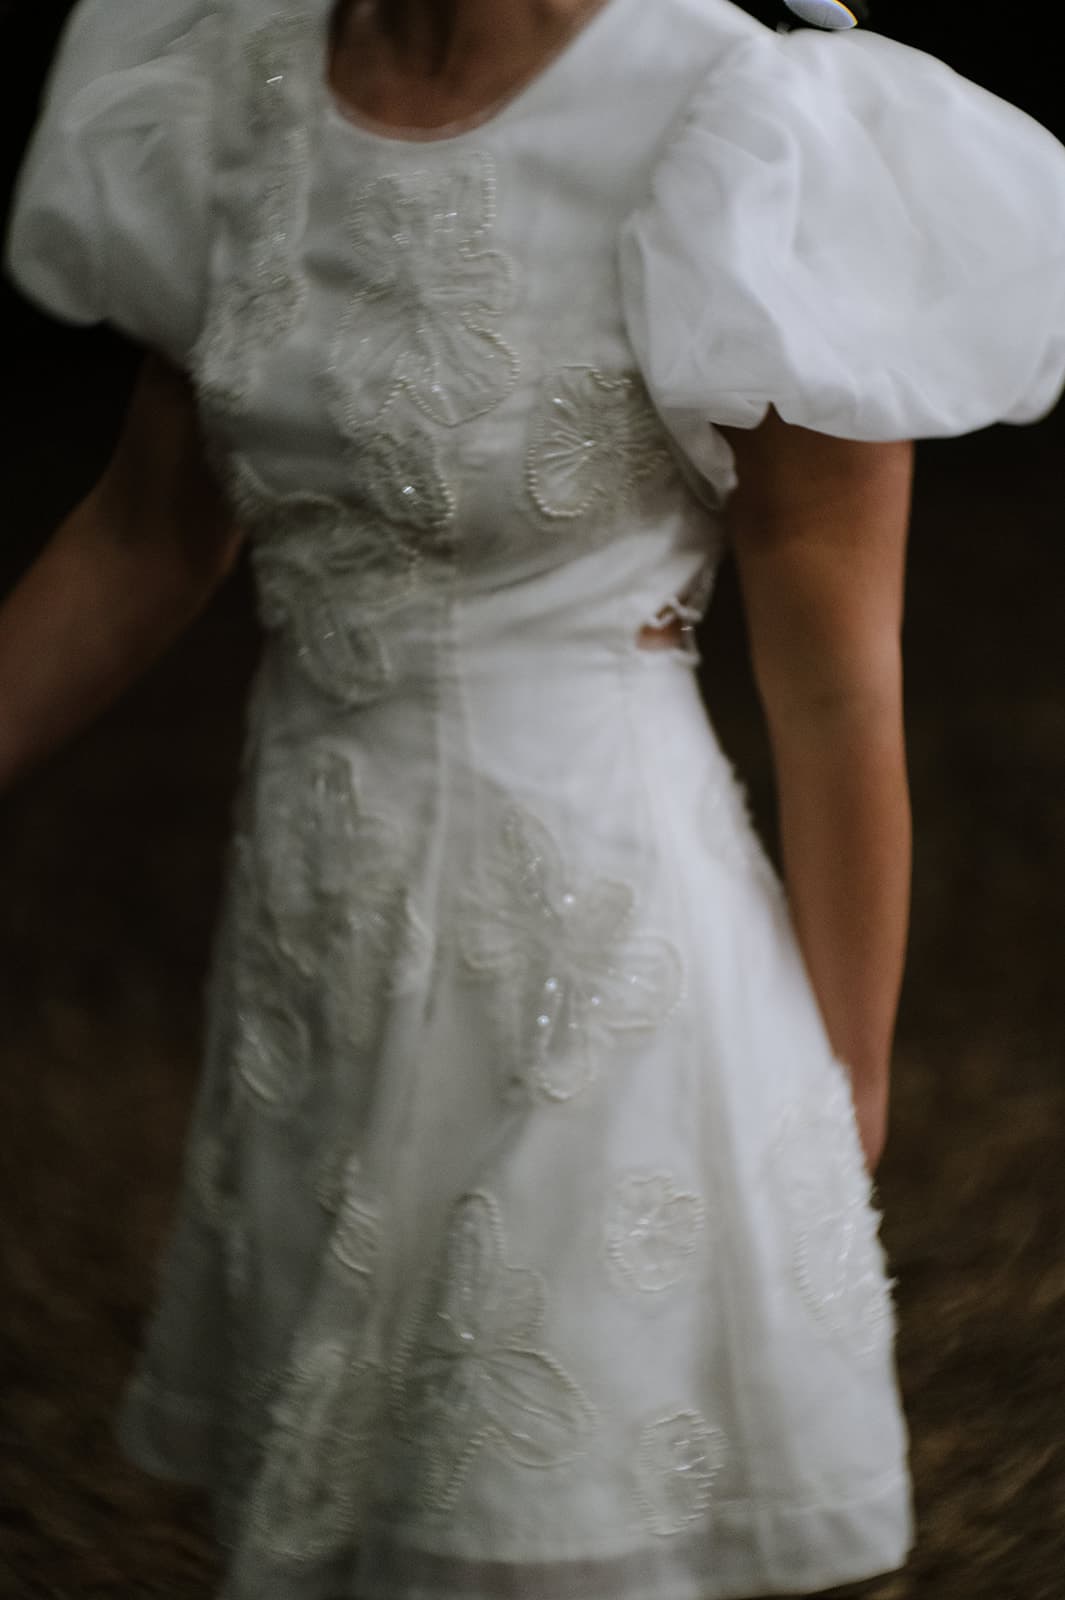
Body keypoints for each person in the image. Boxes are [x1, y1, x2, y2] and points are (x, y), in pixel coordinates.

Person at [4, 1, 1065, 1596]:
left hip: (600, 966)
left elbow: (838, 667)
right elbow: (152, 527)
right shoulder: (238, 83)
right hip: (312, 945)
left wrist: (838, 1082)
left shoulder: (742, 113)